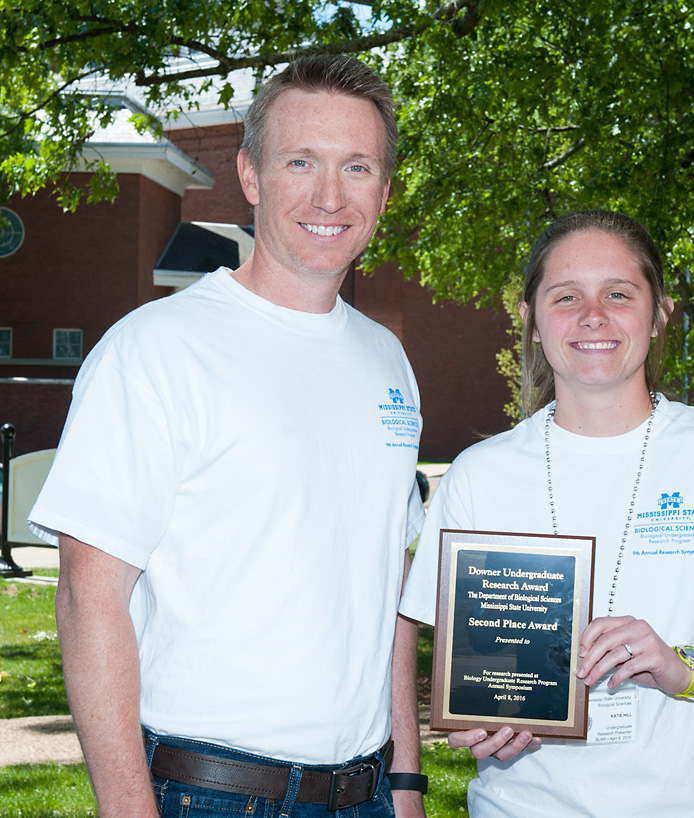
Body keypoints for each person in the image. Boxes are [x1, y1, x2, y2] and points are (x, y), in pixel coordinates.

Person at [29, 55, 427, 818]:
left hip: (366, 792)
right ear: (250, 175)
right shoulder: (156, 349)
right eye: (300, 162)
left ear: (384, 189)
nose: (329, 196)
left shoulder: (388, 361)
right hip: (208, 793)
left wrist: (405, 782)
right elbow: (90, 593)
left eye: (358, 167)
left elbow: (388, 590)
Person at [399, 209, 694, 817]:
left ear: (659, 314)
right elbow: (468, 663)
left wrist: (679, 664)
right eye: (566, 296)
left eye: (618, 293)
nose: (593, 315)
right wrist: (485, 721)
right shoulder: (480, 474)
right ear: (530, 320)